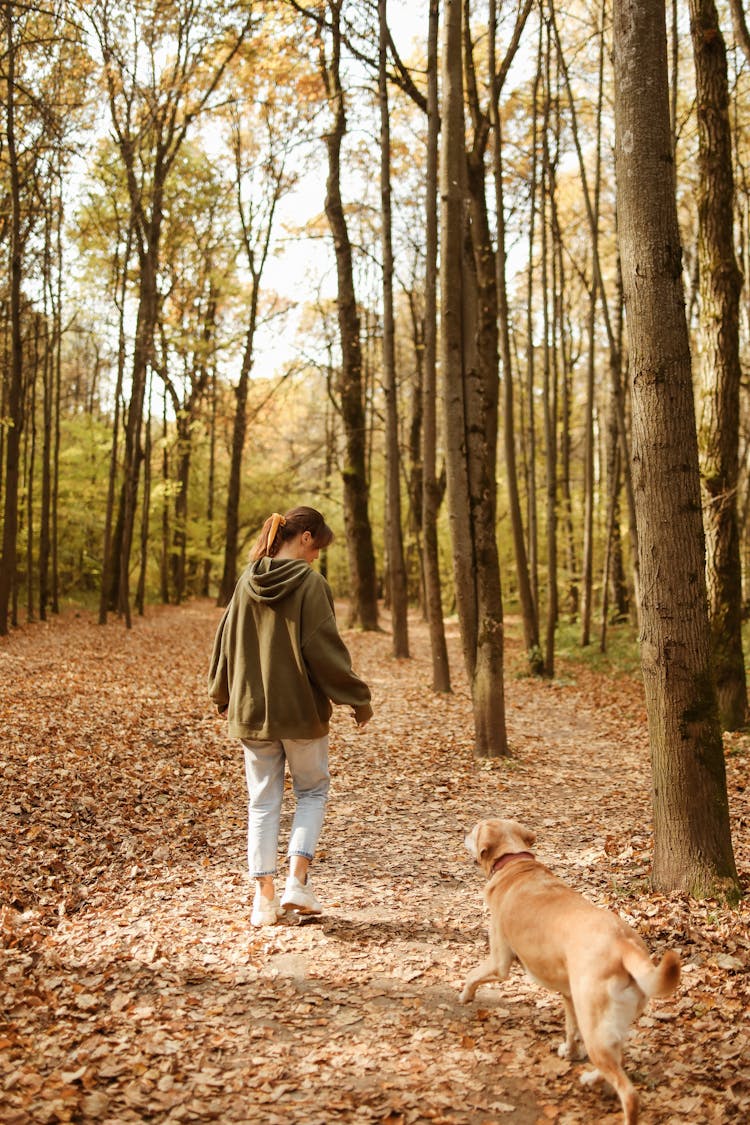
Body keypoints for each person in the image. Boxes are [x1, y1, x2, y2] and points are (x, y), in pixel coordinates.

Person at [208, 506, 373, 927]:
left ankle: (263, 901)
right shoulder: (310, 584)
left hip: (253, 713)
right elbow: (324, 647)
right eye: (317, 546)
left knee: (262, 803)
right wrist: (356, 697)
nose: (317, 556)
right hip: (300, 713)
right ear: (305, 538)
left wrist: (221, 692)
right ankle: (296, 883)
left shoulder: (247, 581)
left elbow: (224, 641)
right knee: (313, 792)